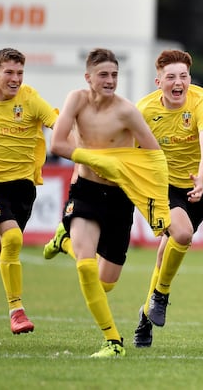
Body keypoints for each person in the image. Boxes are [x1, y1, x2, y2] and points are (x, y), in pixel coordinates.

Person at [50, 48, 170, 358]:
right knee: (87, 267)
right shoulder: (75, 100)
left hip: (119, 198)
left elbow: (154, 157)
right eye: (103, 74)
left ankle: (64, 242)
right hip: (86, 191)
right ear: (87, 77)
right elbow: (58, 143)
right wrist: (95, 160)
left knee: (105, 283)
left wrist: (157, 204)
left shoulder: (127, 111)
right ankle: (113, 342)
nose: (110, 80)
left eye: (114, 75)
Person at [0, 47, 58, 334]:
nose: (15, 78)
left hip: (23, 190)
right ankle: (16, 311)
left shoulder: (30, 100)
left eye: (19, 73)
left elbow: (58, 124)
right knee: (13, 237)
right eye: (9, 72)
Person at [131, 49, 203, 347]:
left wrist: (202, 177)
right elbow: (130, 153)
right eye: (171, 77)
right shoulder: (143, 110)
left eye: (183, 76)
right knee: (182, 233)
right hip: (160, 188)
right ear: (159, 82)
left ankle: (145, 319)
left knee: (164, 253)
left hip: (196, 189)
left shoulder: (200, 100)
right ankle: (161, 295)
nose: (178, 82)